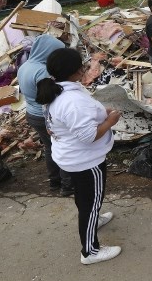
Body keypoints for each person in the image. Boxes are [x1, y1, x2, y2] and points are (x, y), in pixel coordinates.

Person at [36, 48, 122, 265]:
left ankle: (95, 218)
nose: (86, 68)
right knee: (89, 203)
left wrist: (103, 112)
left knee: (87, 199)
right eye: (83, 66)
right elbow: (88, 135)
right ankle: (90, 251)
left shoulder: (61, 91)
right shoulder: (71, 100)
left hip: (72, 157)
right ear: (74, 72)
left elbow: (62, 124)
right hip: (85, 160)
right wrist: (110, 122)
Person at [18, 35, 74, 196]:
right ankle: (67, 185)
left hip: (31, 113)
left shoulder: (25, 66)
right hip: (44, 116)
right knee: (63, 148)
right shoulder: (43, 71)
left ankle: (54, 182)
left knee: (50, 148)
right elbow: (49, 97)